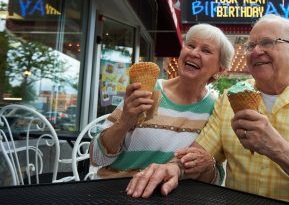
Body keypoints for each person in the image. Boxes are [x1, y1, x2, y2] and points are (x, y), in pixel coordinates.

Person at [126, 15, 289, 204]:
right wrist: (173, 168)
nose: (256, 51)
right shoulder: (229, 99)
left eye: (268, 42)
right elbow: (198, 153)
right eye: (250, 45)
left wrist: (277, 148)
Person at [90, 23, 234, 179]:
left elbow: (215, 177)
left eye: (206, 50)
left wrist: (207, 166)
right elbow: (97, 158)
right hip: (116, 189)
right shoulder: (147, 91)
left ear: (220, 69)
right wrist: (124, 120)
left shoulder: (216, 109)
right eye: (190, 45)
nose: (194, 53)